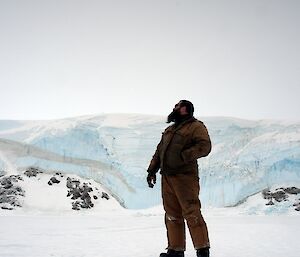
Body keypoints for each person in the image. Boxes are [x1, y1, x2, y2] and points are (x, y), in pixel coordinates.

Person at [146, 100, 212, 257]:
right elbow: (159, 151)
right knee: (172, 214)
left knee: (191, 212)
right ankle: (175, 251)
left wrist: (184, 156)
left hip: (185, 177)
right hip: (167, 177)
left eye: (178, 105)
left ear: (186, 109)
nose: (174, 108)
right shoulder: (170, 130)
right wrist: (152, 170)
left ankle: (202, 250)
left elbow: (205, 146)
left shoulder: (196, 126)